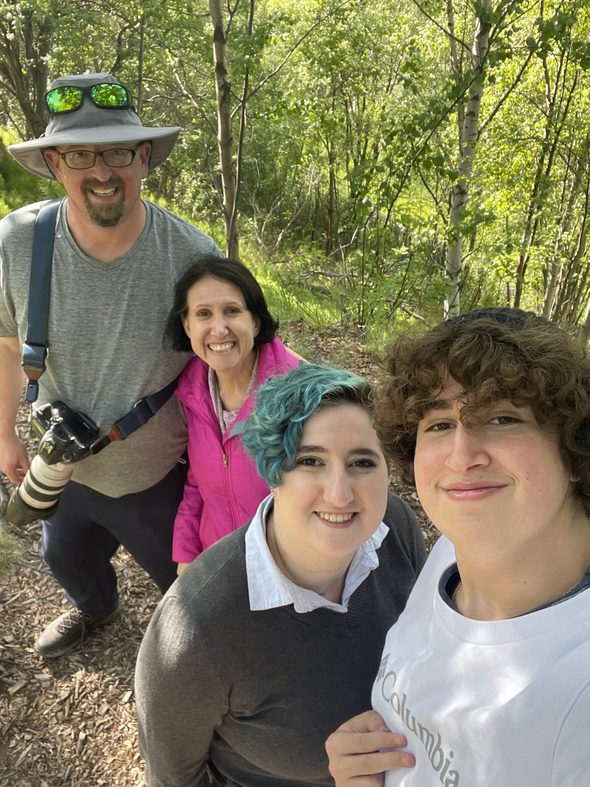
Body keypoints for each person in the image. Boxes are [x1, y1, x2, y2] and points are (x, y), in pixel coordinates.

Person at [0, 72, 220, 658]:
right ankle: (96, 608)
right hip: (58, 464)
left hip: (154, 475)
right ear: (53, 163)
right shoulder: (18, 240)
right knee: (62, 555)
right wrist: (3, 436)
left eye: (118, 151)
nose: (100, 171)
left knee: (187, 588)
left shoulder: (193, 256)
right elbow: (4, 342)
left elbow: (233, 361)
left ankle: (192, 667)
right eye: (78, 154)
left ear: (144, 157)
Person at [326, 307, 590, 787]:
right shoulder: (453, 551)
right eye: (440, 424)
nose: (462, 456)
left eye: (503, 417)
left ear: (575, 450)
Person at [135, 363, 426, 786]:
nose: (340, 493)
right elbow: (172, 778)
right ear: (274, 471)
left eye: (362, 462)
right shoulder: (196, 630)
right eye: (311, 461)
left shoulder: (395, 528)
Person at [164, 254, 300, 573]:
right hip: (220, 561)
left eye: (232, 311)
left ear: (255, 320)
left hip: (285, 566)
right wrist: (186, 553)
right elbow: (197, 480)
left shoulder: (298, 395)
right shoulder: (192, 392)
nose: (219, 328)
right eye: (203, 314)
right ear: (187, 325)